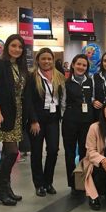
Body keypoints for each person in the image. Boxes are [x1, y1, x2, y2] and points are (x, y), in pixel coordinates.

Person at [0, 34, 28, 206]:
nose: (17, 49)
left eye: (20, 47)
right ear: (7, 47)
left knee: (10, 153)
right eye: (13, 46)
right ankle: (1, 189)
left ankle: (5, 189)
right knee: (11, 152)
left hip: (18, 113)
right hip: (4, 112)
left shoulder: (19, 66)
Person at [26, 48, 66, 197]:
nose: (47, 61)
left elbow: (61, 98)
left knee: (53, 150)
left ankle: (48, 182)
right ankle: (39, 184)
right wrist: (33, 120)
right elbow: (28, 101)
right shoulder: (32, 77)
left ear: (53, 60)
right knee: (36, 152)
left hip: (53, 119)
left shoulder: (59, 76)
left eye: (49, 58)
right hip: (37, 120)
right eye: (43, 58)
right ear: (38, 60)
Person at [62, 54, 94, 195]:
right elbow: (62, 103)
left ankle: (83, 181)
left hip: (86, 122)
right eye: (78, 64)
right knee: (69, 153)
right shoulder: (65, 83)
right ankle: (72, 183)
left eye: (84, 65)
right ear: (73, 65)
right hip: (70, 122)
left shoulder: (91, 81)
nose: (81, 67)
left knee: (84, 152)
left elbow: (92, 99)